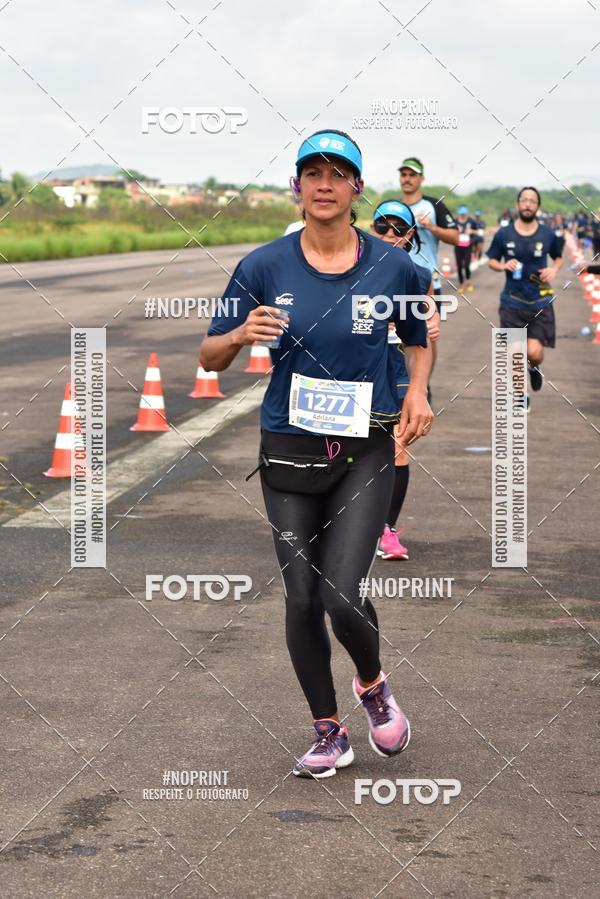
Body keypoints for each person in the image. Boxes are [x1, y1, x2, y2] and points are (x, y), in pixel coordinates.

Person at [200, 129, 433, 779]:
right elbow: (209, 357)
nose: (324, 184)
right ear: (297, 187)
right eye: (313, 173)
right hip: (288, 450)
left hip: (365, 448)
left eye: (337, 174)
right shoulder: (262, 267)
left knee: (339, 591)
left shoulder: (394, 267)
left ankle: (373, 684)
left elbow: (419, 337)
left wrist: (417, 390)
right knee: (301, 595)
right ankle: (328, 731)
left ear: (356, 188)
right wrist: (240, 333)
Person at [370, 200, 439, 561]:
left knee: (397, 445)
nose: (389, 234)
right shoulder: (351, 270)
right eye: (382, 226)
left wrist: (420, 388)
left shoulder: (421, 277)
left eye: (398, 229)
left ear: (410, 235)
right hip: (357, 368)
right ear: (371, 229)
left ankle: (386, 529)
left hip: (397, 369)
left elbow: (424, 345)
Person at [487, 187, 563, 410]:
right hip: (511, 301)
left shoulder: (548, 234)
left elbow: (558, 257)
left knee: (534, 353)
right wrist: (503, 266)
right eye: (524, 200)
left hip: (540, 301)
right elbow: (491, 260)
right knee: (515, 353)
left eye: (532, 201)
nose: (528, 204)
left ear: (538, 206)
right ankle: (521, 395)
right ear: (518, 204)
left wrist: (554, 269)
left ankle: (534, 367)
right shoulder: (504, 234)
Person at [454, 205, 475, 292]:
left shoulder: (471, 221)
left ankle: (468, 281)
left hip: (468, 247)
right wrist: (456, 231)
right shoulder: (455, 221)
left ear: (466, 214)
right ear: (459, 213)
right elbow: (450, 231)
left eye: (464, 214)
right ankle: (461, 284)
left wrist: (471, 231)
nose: (462, 216)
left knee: (466, 265)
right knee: (459, 266)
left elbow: (478, 231)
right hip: (458, 246)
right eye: (461, 214)